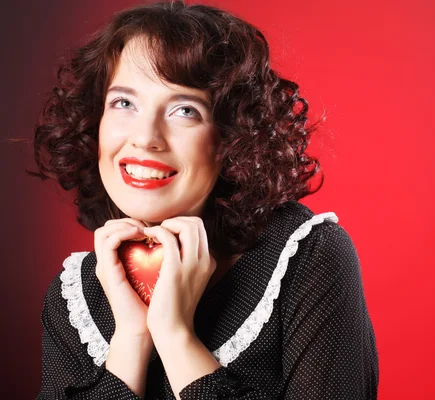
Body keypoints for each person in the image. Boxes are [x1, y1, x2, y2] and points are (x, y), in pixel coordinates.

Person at [32, 1, 379, 399]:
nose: (145, 137)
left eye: (184, 110)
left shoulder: (308, 257)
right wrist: (131, 339)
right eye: (124, 103)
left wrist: (176, 337)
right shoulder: (74, 295)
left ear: (229, 139)